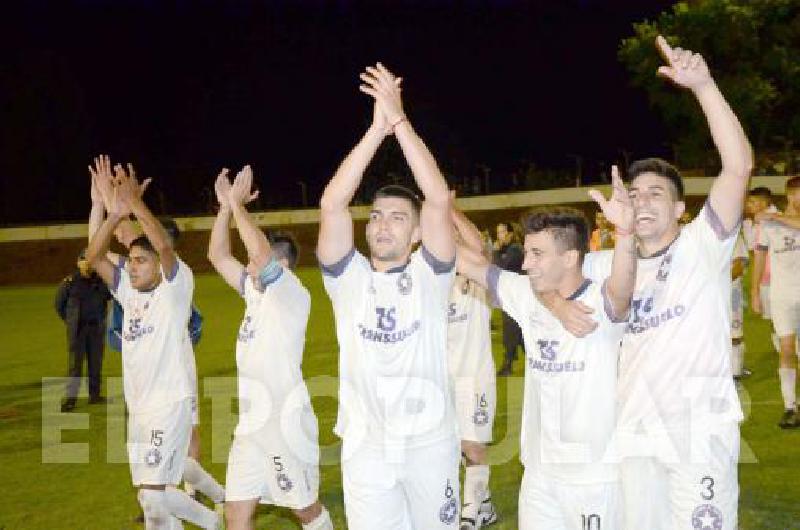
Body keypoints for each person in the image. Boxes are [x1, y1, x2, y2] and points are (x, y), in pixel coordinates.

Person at [572, 36, 752, 529]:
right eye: (635, 193)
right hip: (633, 428)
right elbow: (537, 276)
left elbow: (738, 167)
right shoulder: (607, 262)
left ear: (679, 209)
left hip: (700, 431)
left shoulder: (702, 246)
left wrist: (705, 87)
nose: (643, 200)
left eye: (657, 193)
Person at [317, 62, 459, 529]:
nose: (382, 224)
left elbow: (438, 198)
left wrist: (400, 123)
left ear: (417, 234)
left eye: (398, 218)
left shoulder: (429, 276)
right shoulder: (347, 278)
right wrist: (375, 130)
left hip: (429, 444)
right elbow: (332, 203)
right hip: (365, 447)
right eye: (376, 216)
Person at [454, 165, 636, 529]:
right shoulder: (526, 296)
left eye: (537, 254)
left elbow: (624, 281)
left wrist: (625, 231)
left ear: (570, 258)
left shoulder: (605, 303)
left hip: (594, 479)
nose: (526, 264)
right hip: (538, 477)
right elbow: (460, 257)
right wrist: (436, 203)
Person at [86, 163, 221, 529]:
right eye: (130, 261)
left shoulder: (175, 288)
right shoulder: (127, 290)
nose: (132, 267)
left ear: (160, 266)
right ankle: (211, 521)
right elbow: (94, 256)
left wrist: (135, 205)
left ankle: (212, 514)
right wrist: (109, 212)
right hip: (139, 406)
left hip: (168, 402)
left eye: (140, 261)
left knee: (156, 494)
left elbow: (161, 244)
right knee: (150, 497)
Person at [207, 166, 332, 530]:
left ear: (282, 265)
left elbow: (258, 254)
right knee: (235, 513)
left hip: (284, 423)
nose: (248, 266)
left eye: (256, 262)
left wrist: (238, 205)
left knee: (305, 510)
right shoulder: (254, 293)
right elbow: (217, 255)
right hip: (250, 425)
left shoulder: (292, 294)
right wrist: (225, 209)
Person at [449, 204, 498, 529]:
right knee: (450, 450)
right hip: (439, 383)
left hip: (475, 378)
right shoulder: (431, 283)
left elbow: (479, 248)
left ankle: (471, 511)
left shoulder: (478, 282)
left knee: (472, 446)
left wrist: (448, 208)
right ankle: (486, 504)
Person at [753, 176, 800, 428]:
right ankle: (790, 406)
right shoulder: (769, 227)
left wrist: (773, 217)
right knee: (787, 350)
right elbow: (759, 258)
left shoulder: (775, 221)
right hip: (782, 297)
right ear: (791, 195)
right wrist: (754, 293)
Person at [54, 249, 111, 412]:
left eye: (90, 260)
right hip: (77, 329)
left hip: (95, 328)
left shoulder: (100, 282)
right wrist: (70, 321)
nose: (87, 264)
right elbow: (59, 304)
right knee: (75, 364)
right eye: (84, 260)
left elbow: (110, 296)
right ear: (78, 263)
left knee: (95, 362)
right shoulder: (70, 282)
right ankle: (71, 399)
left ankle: (95, 395)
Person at [493, 221, 524, 376]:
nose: (500, 236)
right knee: (515, 332)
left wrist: (496, 253)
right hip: (510, 297)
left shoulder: (515, 249)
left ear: (511, 233)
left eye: (503, 232)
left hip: (517, 297)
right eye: (498, 233)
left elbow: (501, 267)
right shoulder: (508, 249)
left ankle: (508, 363)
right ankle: (509, 362)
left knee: (513, 331)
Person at [730, 232, 749, 380]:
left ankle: (736, 371)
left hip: (733, 292)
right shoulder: (700, 236)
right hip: (708, 294)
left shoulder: (734, 237)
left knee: (735, 331)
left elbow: (738, 267)